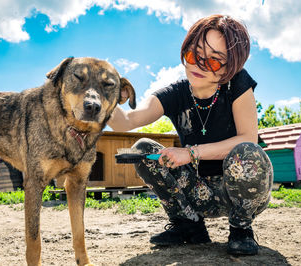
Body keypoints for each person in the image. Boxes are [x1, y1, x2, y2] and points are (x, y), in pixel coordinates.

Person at [108, 14, 273, 255]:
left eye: (215, 61)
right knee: (144, 149)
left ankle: (241, 229)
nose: (199, 65)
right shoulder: (174, 92)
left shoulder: (238, 84)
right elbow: (126, 121)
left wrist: (190, 153)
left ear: (231, 67)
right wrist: (100, 97)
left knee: (247, 151)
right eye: (194, 55)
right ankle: (189, 225)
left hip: (239, 192)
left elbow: (249, 138)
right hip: (197, 191)